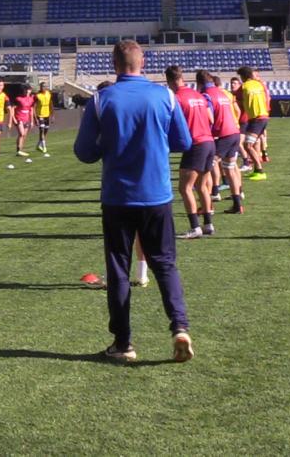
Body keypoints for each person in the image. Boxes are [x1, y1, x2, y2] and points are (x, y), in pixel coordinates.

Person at [74, 40, 194, 363]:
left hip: (117, 197)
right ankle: (179, 326)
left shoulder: (101, 99)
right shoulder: (165, 96)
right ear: (143, 62)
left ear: (114, 63)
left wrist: (109, 143)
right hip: (156, 194)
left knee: (118, 268)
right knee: (165, 263)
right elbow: (183, 141)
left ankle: (123, 343)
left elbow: (84, 152)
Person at [167, 66, 215, 240]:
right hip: (209, 142)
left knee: (185, 187)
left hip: (196, 144)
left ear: (170, 81)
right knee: (202, 186)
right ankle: (208, 224)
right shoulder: (198, 95)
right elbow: (210, 118)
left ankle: (195, 227)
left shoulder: (177, 98)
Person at [200, 71, 245, 214]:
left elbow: (210, 118)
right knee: (230, 168)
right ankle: (237, 204)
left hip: (223, 135)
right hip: (234, 132)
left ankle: (208, 205)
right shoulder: (223, 93)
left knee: (206, 167)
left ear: (199, 83)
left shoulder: (206, 95)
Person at [237, 66, 269, 181]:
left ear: (242, 77)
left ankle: (260, 171)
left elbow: (238, 103)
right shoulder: (260, 84)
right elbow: (267, 99)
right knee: (254, 144)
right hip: (264, 116)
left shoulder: (243, 87)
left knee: (248, 145)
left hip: (256, 119)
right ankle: (256, 170)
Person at [11, 85, 37, 157]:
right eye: (25, 90)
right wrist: (13, 119)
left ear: (30, 91)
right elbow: (12, 109)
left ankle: (20, 149)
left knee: (24, 135)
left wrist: (32, 121)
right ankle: (18, 150)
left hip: (26, 119)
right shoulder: (18, 99)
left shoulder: (31, 99)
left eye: (28, 90)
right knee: (21, 134)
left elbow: (31, 110)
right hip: (19, 118)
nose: (27, 92)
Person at [34, 82, 54, 154]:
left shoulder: (49, 94)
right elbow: (34, 107)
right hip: (40, 115)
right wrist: (35, 118)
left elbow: (50, 104)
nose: (44, 88)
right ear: (40, 87)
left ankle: (38, 145)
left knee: (46, 130)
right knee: (41, 130)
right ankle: (44, 147)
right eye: (42, 86)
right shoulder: (37, 95)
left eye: (45, 86)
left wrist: (52, 115)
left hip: (47, 115)